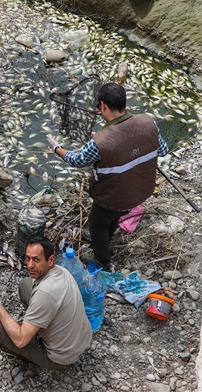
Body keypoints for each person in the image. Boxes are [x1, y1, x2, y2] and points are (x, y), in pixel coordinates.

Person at [46, 82, 169, 269]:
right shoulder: (148, 121)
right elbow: (163, 150)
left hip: (113, 197)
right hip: (141, 191)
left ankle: (102, 259)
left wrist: (57, 148)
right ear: (124, 103)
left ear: (102, 105)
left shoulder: (99, 142)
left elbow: (77, 161)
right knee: (114, 215)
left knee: (96, 224)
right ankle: (107, 237)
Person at [0, 236, 92, 369]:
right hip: (81, 339)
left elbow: (21, 340)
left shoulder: (45, 294)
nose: (30, 265)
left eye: (36, 260)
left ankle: (31, 358)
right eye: (28, 258)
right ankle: (37, 326)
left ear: (50, 260)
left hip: (60, 357)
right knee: (26, 285)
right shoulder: (62, 271)